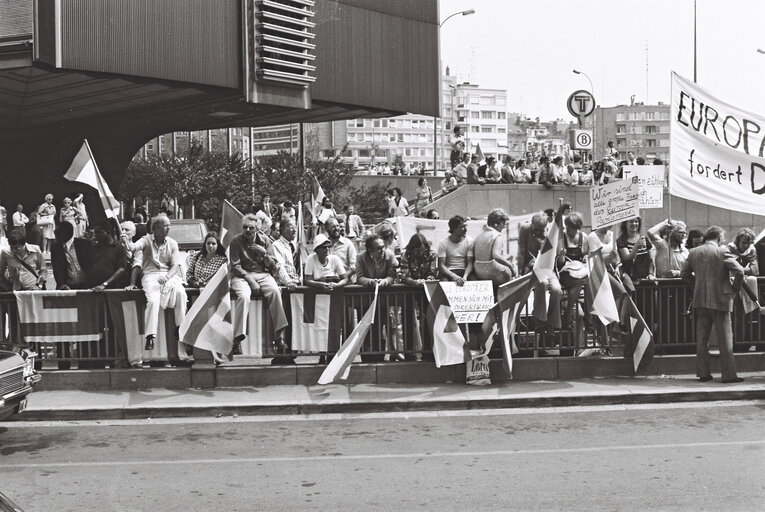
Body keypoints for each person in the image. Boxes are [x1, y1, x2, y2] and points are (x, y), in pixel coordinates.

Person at [680, 226, 745, 383]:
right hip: (721, 298)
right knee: (725, 339)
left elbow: (684, 274)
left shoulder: (694, 252)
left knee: (702, 339)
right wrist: (734, 288)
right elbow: (740, 271)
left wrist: (696, 285)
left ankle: (703, 373)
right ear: (719, 237)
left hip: (700, 299)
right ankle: (728, 375)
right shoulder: (722, 252)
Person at [123, 213, 187, 352]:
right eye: (165, 225)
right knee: (153, 300)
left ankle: (180, 328)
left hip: (169, 276)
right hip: (150, 275)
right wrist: (126, 241)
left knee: (181, 293)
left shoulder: (172, 243)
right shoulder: (145, 240)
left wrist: (168, 277)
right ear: (156, 228)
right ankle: (150, 336)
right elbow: (133, 248)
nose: (169, 228)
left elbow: (176, 265)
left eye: (169, 225)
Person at [229, 213, 289, 356]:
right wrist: (250, 280)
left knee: (275, 291)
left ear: (257, 229)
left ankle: (279, 337)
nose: (248, 231)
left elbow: (273, 266)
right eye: (245, 228)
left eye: (251, 228)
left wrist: (264, 254)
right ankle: (237, 339)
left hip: (262, 273)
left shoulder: (265, 241)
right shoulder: (236, 241)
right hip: (242, 275)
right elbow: (235, 267)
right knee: (243, 296)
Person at [518, 212, 562, 332]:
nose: (538, 233)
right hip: (531, 267)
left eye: (541, 230)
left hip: (547, 269)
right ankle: (539, 320)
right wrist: (519, 272)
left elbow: (556, 256)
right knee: (542, 283)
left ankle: (552, 323)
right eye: (536, 230)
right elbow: (521, 252)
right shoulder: (525, 229)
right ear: (532, 225)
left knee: (557, 290)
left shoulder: (551, 232)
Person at [557, 212, 590, 331]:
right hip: (566, 272)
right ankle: (569, 313)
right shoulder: (562, 238)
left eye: (571, 228)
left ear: (577, 227)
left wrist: (586, 257)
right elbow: (559, 263)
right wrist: (561, 256)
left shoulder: (584, 237)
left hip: (580, 270)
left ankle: (590, 317)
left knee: (586, 281)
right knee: (578, 282)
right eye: (567, 227)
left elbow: (586, 255)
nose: (568, 230)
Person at [473, 208, 516, 287]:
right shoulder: (497, 235)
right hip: (492, 271)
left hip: (478, 272)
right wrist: (511, 266)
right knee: (512, 275)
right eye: (503, 223)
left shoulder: (480, 235)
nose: (504, 227)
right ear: (497, 223)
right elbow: (496, 255)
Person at [617, 217, 656, 291]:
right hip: (630, 282)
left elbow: (651, 259)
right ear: (625, 224)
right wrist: (636, 246)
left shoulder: (644, 239)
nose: (634, 224)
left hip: (645, 280)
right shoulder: (621, 241)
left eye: (636, 221)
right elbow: (627, 258)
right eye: (631, 221)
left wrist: (651, 273)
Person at [727, 228, 761, 313]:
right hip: (732, 287)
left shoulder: (751, 251)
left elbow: (755, 270)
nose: (746, 246)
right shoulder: (729, 249)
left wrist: (738, 269)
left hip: (746, 288)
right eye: (744, 243)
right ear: (737, 241)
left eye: (749, 243)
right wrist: (745, 270)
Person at [88, 221, 129, 290]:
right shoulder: (94, 248)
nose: (95, 235)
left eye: (98, 232)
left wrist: (105, 284)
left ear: (108, 232)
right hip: (93, 289)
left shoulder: (119, 248)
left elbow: (122, 269)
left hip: (111, 289)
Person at [51, 221, 92, 290]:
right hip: (67, 287)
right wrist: (62, 284)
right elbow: (57, 268)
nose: (54, 233)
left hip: (86, 286)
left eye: (57, 232)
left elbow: (91, 265)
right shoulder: (55, 247)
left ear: (66, 233)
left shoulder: (84, 244)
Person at [437, 215, 474, 285]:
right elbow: (441, 266)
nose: (465, 229)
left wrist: (465, 276)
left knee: (475, 280)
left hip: (464, 271)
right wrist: (454, 276)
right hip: (449, 271)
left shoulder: (470, 241)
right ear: (454, 228)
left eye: (465, 226)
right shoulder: (443, 243)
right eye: (462, 227)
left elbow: (470, 263)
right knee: (444, 282)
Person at [268, 218, 301, 288]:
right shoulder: (276, 245)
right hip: (285, 285)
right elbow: (279, 266)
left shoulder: (295, 245)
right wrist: (288, 282)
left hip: (299, 283)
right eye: (291, 227)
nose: (295, 230)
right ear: (282, 229)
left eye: (295, 227)